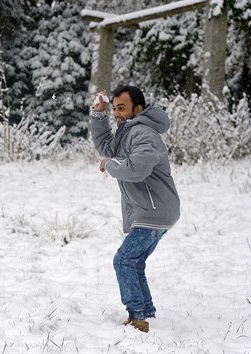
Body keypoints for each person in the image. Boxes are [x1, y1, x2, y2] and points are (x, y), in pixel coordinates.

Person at [90, 85, 180, 333]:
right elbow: (107, 146)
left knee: (124, 260)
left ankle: (137, 319)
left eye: (122, 108)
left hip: (155, 209)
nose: (116, 114)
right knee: (135, 261)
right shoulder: (129, 131)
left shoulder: (143, 133)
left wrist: (109, 164)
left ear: (137, 109)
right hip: (152, 209)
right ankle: (145, 310)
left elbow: (136, 169)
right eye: (115, 108)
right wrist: (99, 114)